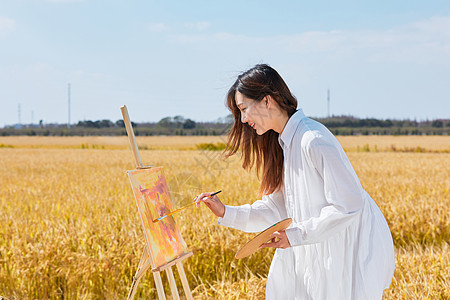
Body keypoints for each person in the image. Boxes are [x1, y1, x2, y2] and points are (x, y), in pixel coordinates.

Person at [195, 64, 395, 299]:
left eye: (244, 108)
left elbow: (348, 205)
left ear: (267, 101)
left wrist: (295, 235)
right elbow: (276, 210)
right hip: (316, 244)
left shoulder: (313, 140)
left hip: (346, 249)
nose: (242, 118)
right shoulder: (284, 144)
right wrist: (225, 212)